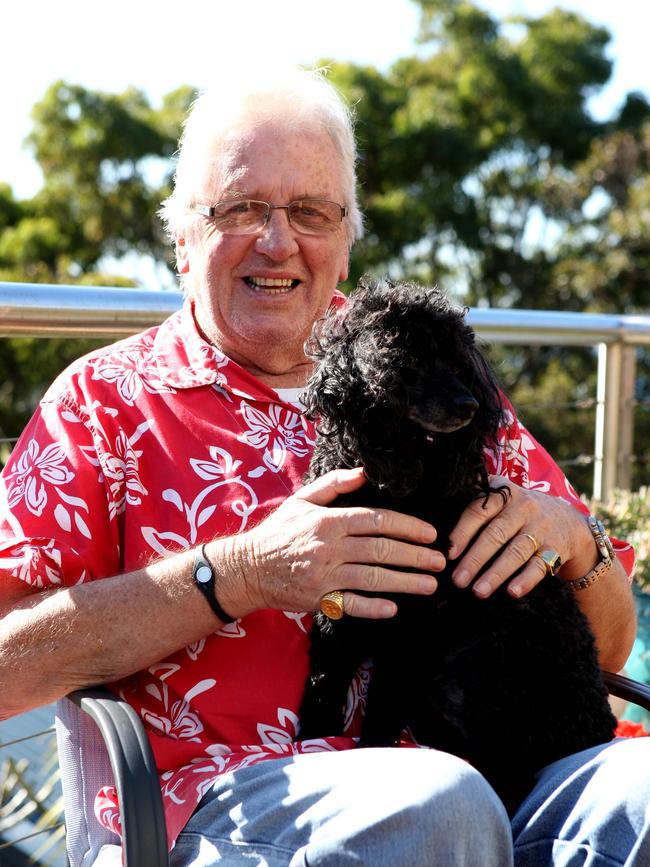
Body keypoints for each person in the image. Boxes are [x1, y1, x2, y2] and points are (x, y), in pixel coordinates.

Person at [0, 65, 648, 867]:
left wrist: (574, 543)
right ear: (181, 237)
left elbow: (611, 650)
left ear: (345, 242)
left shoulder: (426, 374)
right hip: (223, 807)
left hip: (504, 775)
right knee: (437, 806)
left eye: (310, 211)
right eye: (240, 208)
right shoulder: (103, 405)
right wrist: (235, 574)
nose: (278, 241)